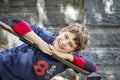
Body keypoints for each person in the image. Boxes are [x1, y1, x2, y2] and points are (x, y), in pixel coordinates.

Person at [0, 18, 97, 80]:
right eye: (66, 37)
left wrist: (65, 56)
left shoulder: (70, 57)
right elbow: (16, 23)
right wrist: (40, 43)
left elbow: (93, 68)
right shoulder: (45, 36)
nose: (64, 43)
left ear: (73, 51)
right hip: (3, 66)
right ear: (62, 31)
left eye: (70, 45)